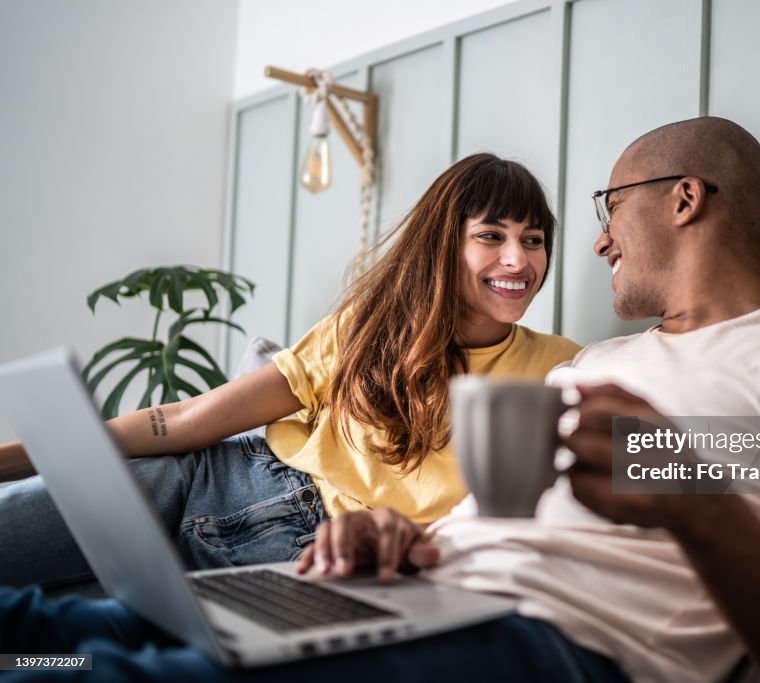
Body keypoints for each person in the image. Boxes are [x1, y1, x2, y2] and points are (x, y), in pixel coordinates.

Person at [0, 117, 760, 683]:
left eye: (609, 206)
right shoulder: (584, 370)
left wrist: (694, 509)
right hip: (382, 591)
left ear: (684, 198)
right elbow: (485, 523)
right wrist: (392, 536)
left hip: (544, 643)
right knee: (50, 638)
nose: (597, 242)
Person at [0, 153, 581, 592]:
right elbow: (186, 418)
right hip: (219, 479)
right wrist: (20, 457)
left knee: (72, 654)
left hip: (321, 555)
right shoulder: (369, 328)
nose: (520, 261)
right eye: (491, 236)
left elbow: (667, 462)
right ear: (441, 247)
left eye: (534, 241)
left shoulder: (562, 366)